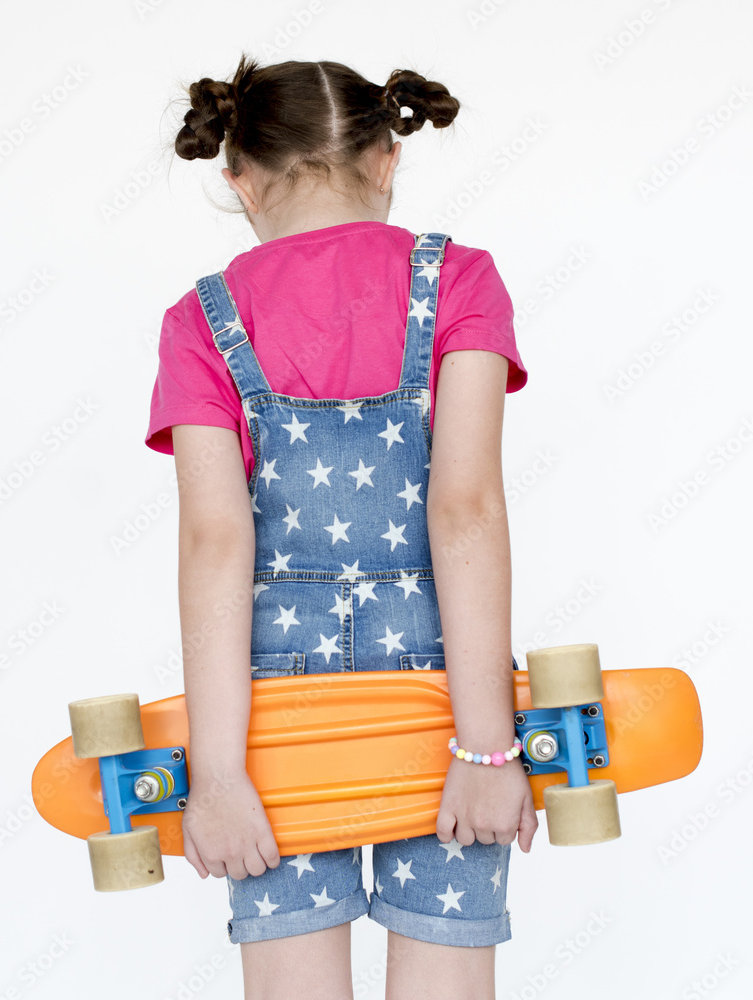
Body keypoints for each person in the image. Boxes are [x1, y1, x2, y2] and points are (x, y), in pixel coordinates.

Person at [145, 53, 537, 1000]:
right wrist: (485, 749)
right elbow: (465, 507)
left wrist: (220, 774)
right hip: (444, 692)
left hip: (274, 714)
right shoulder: (462, 281)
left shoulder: (200, 320)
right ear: (385, 158)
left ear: (235, 177)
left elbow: (214, 544)